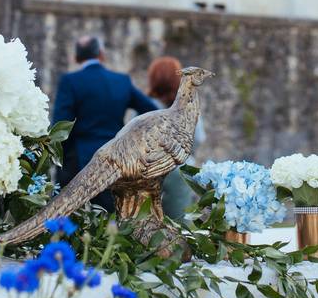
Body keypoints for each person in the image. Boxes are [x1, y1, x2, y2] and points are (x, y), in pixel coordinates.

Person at [52, 36, 158, 212]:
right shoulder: (121, 81)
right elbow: (151, 111)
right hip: (116, 160)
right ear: (101, 54)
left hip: (79, 162)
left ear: (77, 58)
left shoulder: (70, 81)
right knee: (111, 218)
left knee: (76, 220)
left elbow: (60, 126)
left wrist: (61, 161)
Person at [147, 56, 206, 220]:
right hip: (180, 170)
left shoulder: (144, 106)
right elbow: (199, 137)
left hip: (150, 172)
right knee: (179, 229)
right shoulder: (188, 103)